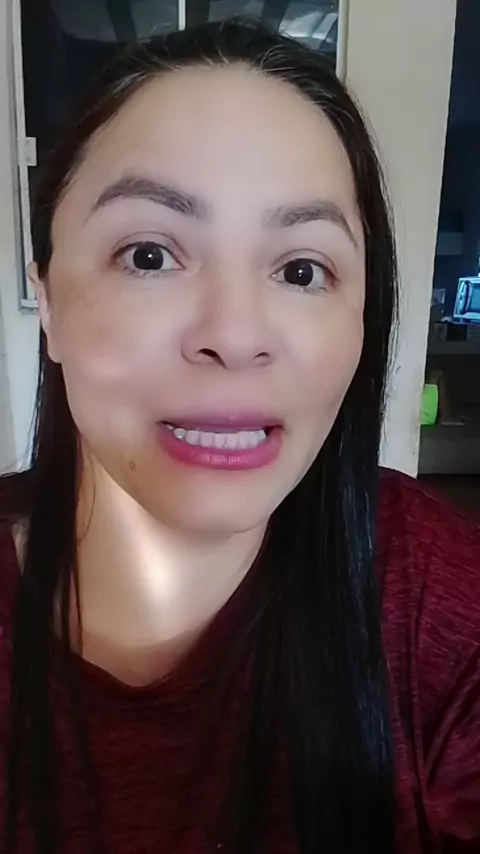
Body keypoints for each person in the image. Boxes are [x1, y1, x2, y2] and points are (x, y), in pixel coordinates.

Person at [0, 18, 479, 854]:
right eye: (149, 255)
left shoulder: (436, 597)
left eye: (301, 269)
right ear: (49, 301)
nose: (234, 334)